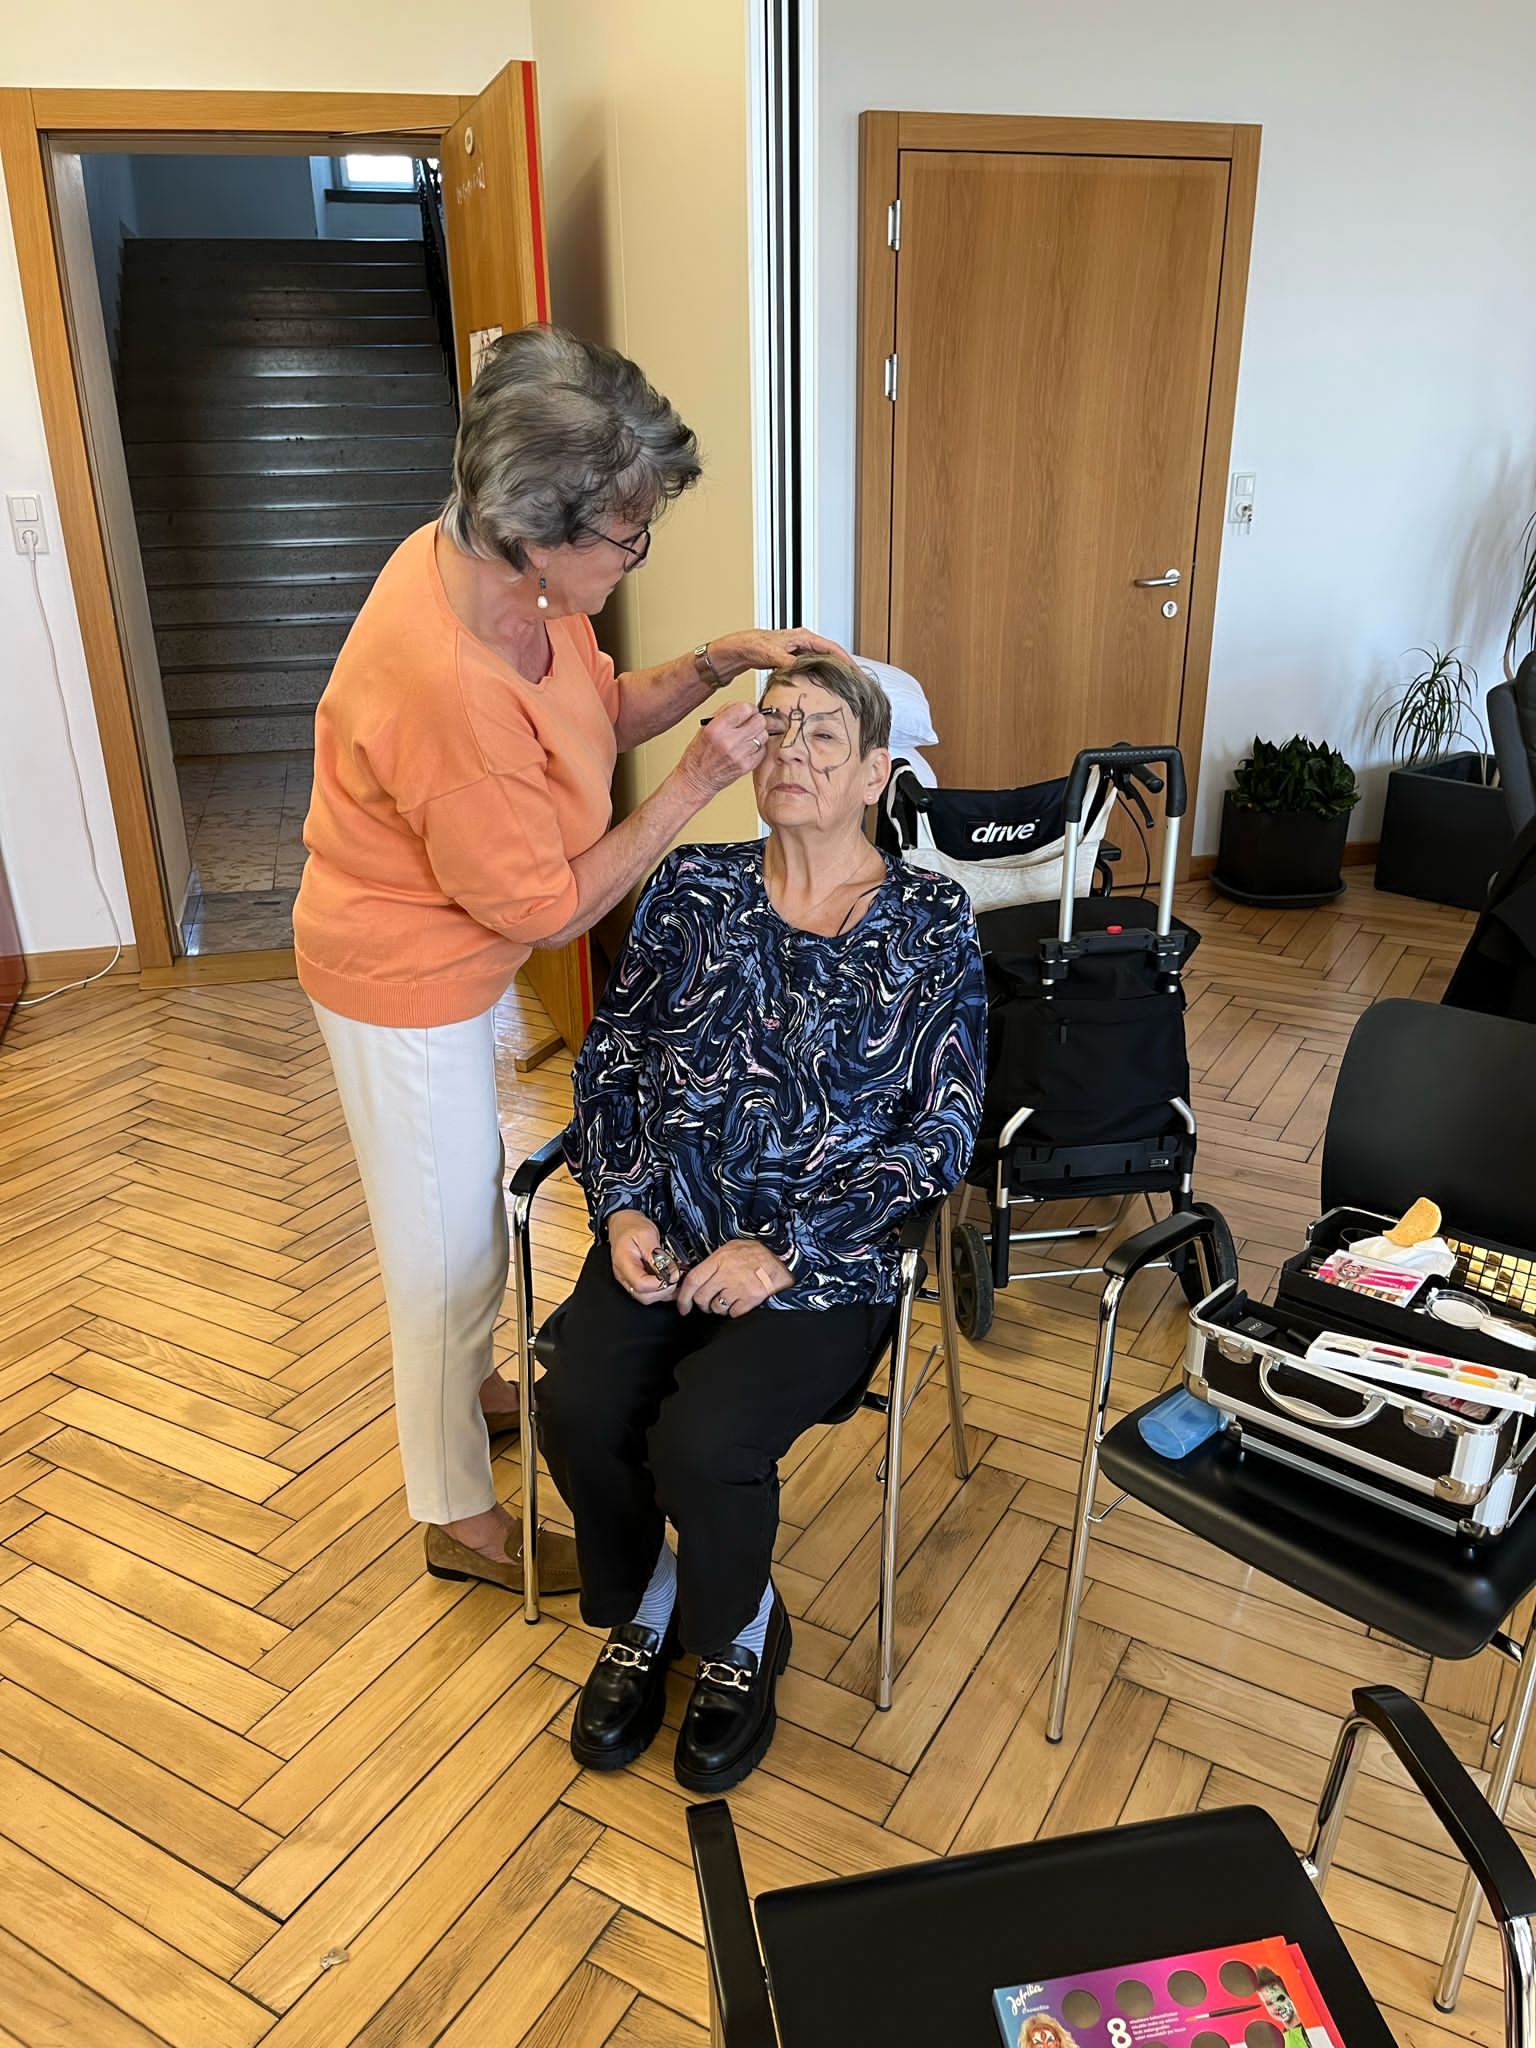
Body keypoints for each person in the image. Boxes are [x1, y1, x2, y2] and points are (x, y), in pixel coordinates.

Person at [293, 326, 843, 1595]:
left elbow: (595, 709)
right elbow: (547, 909)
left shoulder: (518, 592)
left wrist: (713, 662)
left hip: (457, 951)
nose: (638, 552)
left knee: (463, 1222)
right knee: (441, 1256)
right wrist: (694, 783)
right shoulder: (442, 681)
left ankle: (474, 1384)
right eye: (627, 536)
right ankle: (457, 1518)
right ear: (537, 535)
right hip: (399, 975)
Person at [539, 653, 987, 1793]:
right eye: (775, 725)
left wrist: (783, 1249)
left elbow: (943, 1130)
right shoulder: (693, 887)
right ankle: (649, 1601)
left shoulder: (930, 919)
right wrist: (622, 1202)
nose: (792, 749)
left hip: (821, 1266)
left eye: (824, 732)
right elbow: (612, 1062)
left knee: (703, 1442)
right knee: (576, 1405)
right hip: (666, 1232)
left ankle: (738, 1629)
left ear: (877, 771)